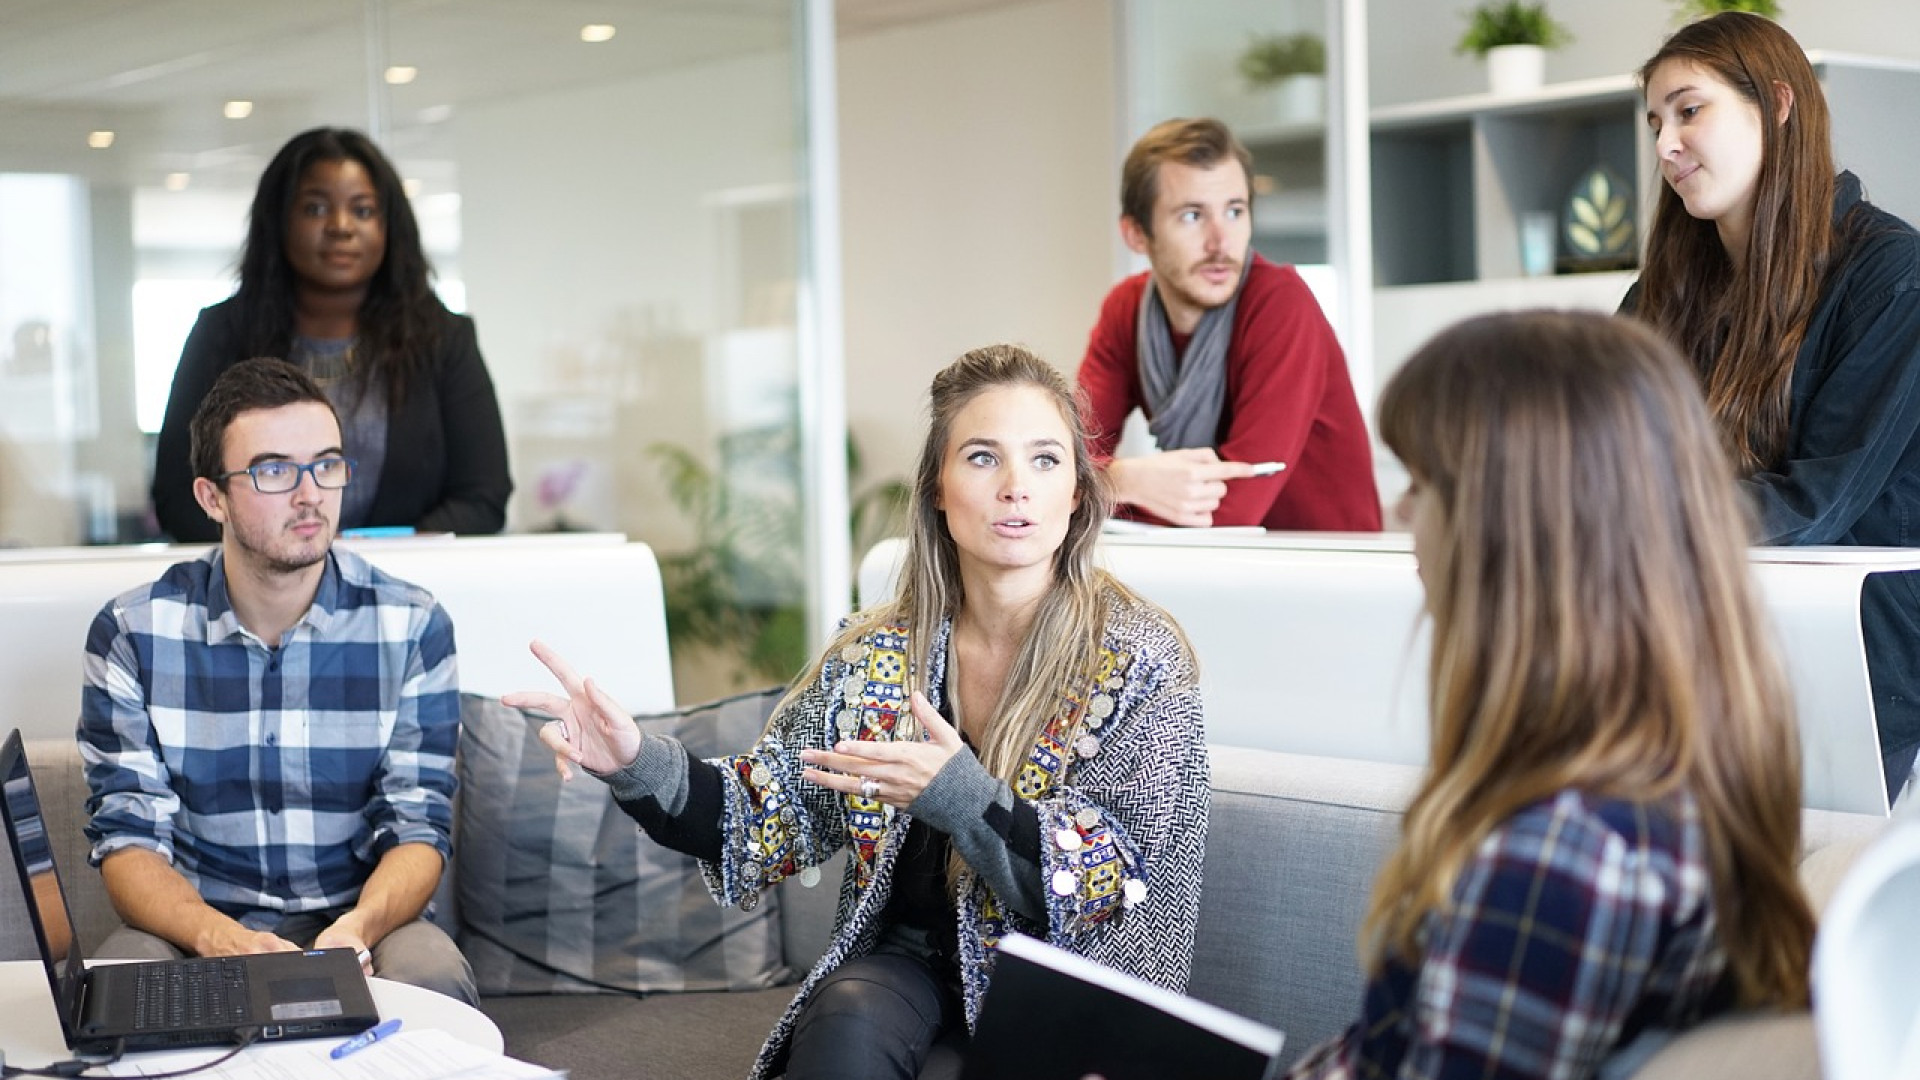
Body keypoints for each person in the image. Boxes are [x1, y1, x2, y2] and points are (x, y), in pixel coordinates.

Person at [509, 344, 1209, 1080]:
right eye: (981, 457)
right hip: (905, 965)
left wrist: (962, 798)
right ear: (936, 488)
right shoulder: (877, 653)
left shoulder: (1140, 660)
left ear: (1075, 491)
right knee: (844, 1020)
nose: (1014, 488)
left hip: (1065, 983)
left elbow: (1110, 883)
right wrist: (633, 762)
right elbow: (769, 810)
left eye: (1043, 460)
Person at [1286, 311, 1814, 1079]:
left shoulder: (1563, 856)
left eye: (1423, 483)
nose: (1401, 513)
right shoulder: (1670, 778)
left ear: (1512, 530)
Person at [81, 358, 475, 1004]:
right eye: (273, 470)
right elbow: (127, 842)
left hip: (361, 920)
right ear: (213, 498)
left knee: (432, 976)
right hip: (197, 925)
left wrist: (356, 929)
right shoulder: (132, 633)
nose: (310, 494)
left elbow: (419, 828)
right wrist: (220, 938)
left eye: (326, 464)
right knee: (118, 982)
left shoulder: (413, 626)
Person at [1622, 11, 1920, 801]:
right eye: (1656, 122)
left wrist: (1624, 516)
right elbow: (1599, 451)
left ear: (1778, 105)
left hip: (1861, 654)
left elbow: (1817, 502)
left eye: (1690, 110)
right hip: (1702, 631)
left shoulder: (1892, 275)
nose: (1665, 146)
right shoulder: (1661, 294)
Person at [151, 126, 511, 542]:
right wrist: (285, 555)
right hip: (259, 596)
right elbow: (179, 498)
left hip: (406, 589)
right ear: (279, 220)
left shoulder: (444, 340)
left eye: (362, 211)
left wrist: (375, 558)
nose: (341, 227)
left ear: (390, 227)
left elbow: (483, 498)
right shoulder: (222, 335)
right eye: (316, 209)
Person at [1077, 117, 1380, 531]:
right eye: (1191, 216)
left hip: (1326, 572)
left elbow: (1233, 509)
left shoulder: (1280, 304)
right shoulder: (1125, 310)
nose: (1221, 242)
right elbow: (1061, 463)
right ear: (1136, 235)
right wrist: (1124, 479)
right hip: (1215, 567)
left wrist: (1100, 486)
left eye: (1235, 211)